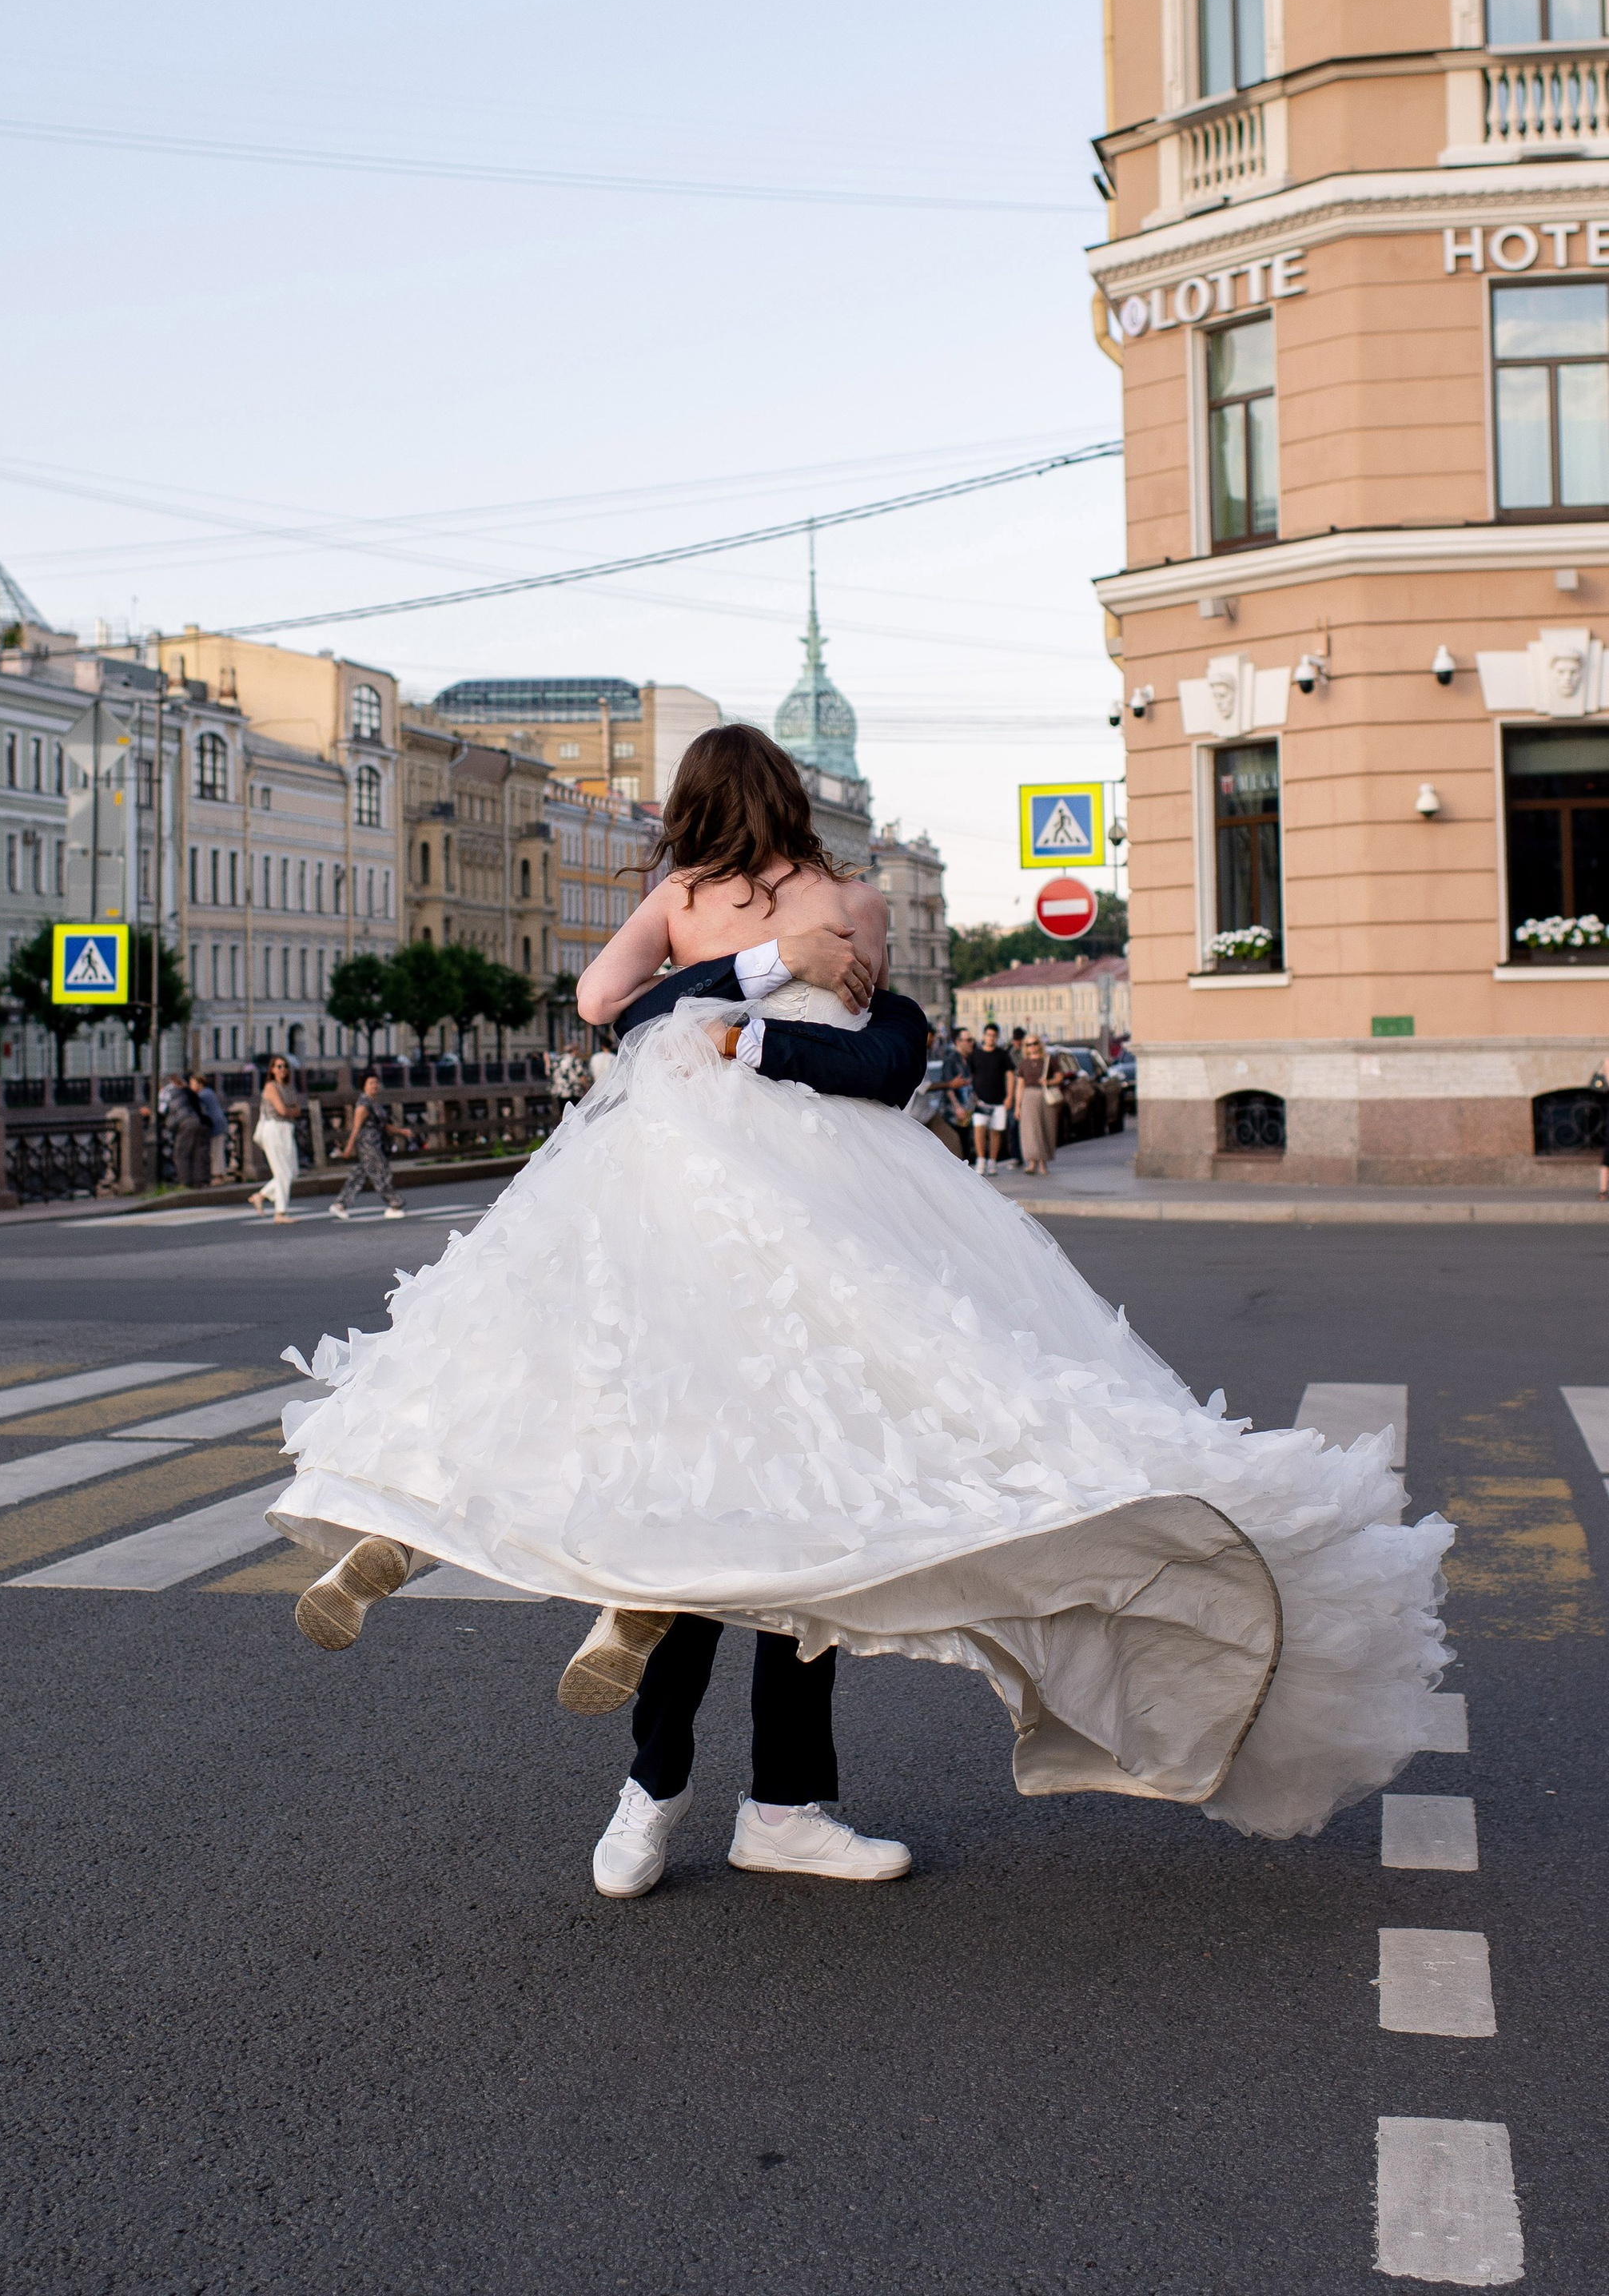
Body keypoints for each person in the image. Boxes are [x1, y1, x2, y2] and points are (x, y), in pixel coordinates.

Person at [272, 721, 1452, 1906]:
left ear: (690, 806)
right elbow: (752, 1035)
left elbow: (677, 1017)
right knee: (799, 1501)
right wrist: (772, 965)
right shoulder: (841, 900)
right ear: (792, 798)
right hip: (802, 1218)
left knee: (712, 1488)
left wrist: (739, 1014)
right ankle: (752, 1795)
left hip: (689, 1217)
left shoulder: (687, 897)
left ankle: (647, 1769)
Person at [329, 1071, 405, 1222]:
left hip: (377, 1143)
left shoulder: (374, 1102)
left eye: (376, 1083)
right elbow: (356, 1128)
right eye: (371, 1083)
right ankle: (394, 1204)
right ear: (364, 1086)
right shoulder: (363, 1105)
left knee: (359, 1174)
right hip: (368, 1145)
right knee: (381, 1173)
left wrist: (401, 1131)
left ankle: (340, 1204)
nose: (374, 1086)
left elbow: (384, 1126)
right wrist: (348, 1147)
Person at [249, 1054, 302, 1220]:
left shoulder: (288, 1087)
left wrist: (291, 1111)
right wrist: (291, 1111)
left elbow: (297, 1110)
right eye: (279, 1066)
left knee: (292, 1172)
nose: (283, 1070)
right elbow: (283, 1111)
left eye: (285, 1066)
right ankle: (280, 1212)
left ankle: (261, 1196)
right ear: (272, 1070)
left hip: (286, 1129)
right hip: (274, 1129)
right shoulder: (271, 1087)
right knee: (282, 1172)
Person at [968, 1022, 1013, 1174]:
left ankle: (993, 1162)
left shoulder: (1002, 1054)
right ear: (984, 1036)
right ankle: (981, 1160)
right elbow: (971, 1075)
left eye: (994, 1036)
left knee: (995, 1132)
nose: (991, 1038)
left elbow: (1010, 1074)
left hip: (999, 1099)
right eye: (988, 1035)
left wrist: (1009, 1097)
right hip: (980, 1100)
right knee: (979, 1130)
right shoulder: (977, 1054)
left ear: (997, 1037)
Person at [1014, 1029, 1056, 1179]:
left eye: (1034, 1043)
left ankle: (1043, 1163)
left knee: (1045, 1129)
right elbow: (1020, 1086)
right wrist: (1017, 1106)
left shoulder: (1048, 1060)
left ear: (1040, 1044)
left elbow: (1059, 1076)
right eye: (1028, 1044)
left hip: (1044, 1096)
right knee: (1030, 1131)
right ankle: (1031, 1163)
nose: (1032, 1047)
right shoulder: (1023, 1064)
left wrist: (1049, 1081)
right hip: (1028, 1097)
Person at [161, 1072, 210, 1191]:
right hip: (198, 1121)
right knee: (197, 1152)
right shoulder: (185, 1091)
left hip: (184, 1123)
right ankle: (199, 1181)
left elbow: (163, 1110)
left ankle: (184, 1183)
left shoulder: (167, 1092)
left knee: (181, 1153)